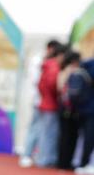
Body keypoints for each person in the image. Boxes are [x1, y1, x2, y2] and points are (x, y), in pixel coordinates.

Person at [19, 39, 65, 168]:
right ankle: (38, 157)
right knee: (43, 131)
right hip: (45, 102)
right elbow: (46, 84)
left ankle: (33, 155)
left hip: (41, 101)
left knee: (39, 129)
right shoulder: (47, 64)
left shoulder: (44, 63)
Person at [56, 50, 82, 170]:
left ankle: (63, 162)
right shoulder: (72, 72)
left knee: (65, 136)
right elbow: (61, 88)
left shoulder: (63, 71)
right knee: (69, 136)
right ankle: (65, 162)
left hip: (64, 108)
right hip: (70, 108)